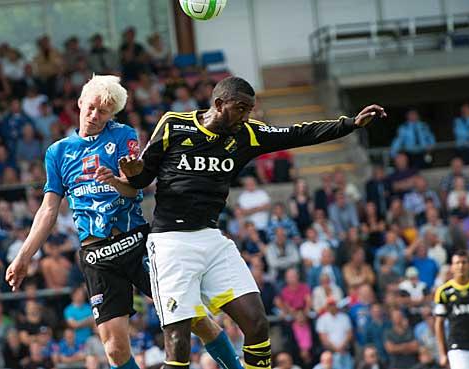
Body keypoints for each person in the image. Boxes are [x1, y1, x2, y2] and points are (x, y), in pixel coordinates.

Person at [112, 76, 386, 369]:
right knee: (178, 344)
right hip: (171, 243)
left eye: (250, 109)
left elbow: (298, 133)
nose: (246, 116)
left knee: (256, 324)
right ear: (219, 104)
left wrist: (350, 124)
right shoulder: (174, 124)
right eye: (240, 108)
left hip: (212, 239)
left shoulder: (247, 133)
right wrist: (133, 173)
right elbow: (144, 178)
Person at [5, 75, 243, 369]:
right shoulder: (58, 152)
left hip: (136, 243)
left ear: (112, 114)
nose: (94, 116)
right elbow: (48, 209)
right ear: (79, 103)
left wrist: (117, 182)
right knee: (115, 349)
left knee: (192, 318)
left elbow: (135, 188)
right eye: (90, 107)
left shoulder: (122, 136)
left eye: (103, 112)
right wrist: (24, 256)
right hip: (98, 256)